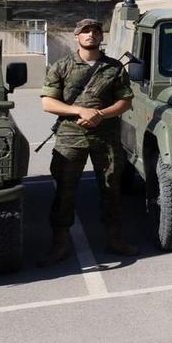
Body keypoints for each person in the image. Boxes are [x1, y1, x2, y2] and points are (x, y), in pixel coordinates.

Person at [38, 17, 136, 262]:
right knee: (65, 191)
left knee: (111, 188)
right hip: (70, 136)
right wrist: (80, 111)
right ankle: (60, 243)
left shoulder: (114, 68)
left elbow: (125, 101)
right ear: (77, 37)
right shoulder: (61, 66)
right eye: (85, 31)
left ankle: (115, 239)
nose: (90, 35)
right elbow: (48, 102)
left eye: (95, 31)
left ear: (101, 37)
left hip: (106, 135)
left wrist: (100, 115)